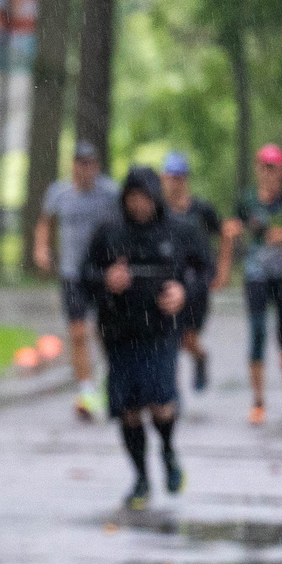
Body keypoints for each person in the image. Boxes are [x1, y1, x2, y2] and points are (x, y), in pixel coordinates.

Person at [84, 166, 195, 509]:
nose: (138, 205)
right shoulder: (109, 232)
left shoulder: (177, 231)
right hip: (120, 333)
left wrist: (183, 292)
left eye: (145, 197)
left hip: (160, 332)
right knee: (128, 410)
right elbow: (85, 274)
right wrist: (106, 279)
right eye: (132, 198)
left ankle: (168, 451)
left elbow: (201, 272)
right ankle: (141, 478)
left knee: (161, 404)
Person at [224, 143, 282, 426]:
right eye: (263, 166)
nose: (267, 172)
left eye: (273, 167)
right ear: (257, 169)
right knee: (256, 332)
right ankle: (258, 401)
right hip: (256, 275)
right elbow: (230, 229)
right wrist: (225, 265)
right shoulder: (247, 200)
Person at [33, 142, 120, 421]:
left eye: (89, 163)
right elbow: (45, 222)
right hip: (72, 274)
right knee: (78, 332)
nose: (84, 169)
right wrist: (41, 248)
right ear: (72, 166)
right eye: (79, 163)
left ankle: (111, 381)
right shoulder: (59, 193)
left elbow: (125, 225)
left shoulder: (110, 194)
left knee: (105, 333)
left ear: (96, 165)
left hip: (102, 274)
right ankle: (85, 391)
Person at [158, 151, 223, 392]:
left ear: (186, 179)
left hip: (196, 281)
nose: (175, 182)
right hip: (170, 280)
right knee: (171, 338)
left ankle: (200, 357)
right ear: (163, 178)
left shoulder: (201, 210)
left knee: (188, 339)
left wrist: (221, 271)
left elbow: (224, 233)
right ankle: (170, 392)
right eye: (170, 177)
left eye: (179, 177)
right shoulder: (159, 211)